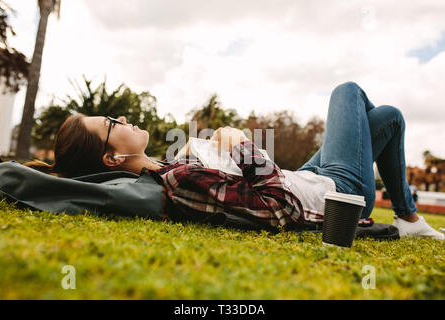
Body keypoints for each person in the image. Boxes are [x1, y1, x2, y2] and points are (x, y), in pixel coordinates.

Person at [24, 82, 443, 240]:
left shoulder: (174, 164)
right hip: (336, 195)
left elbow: (271, 183)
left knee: (388, 119)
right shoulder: (177, 180)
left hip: (309, 178)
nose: (123, 117)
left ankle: (408, 216)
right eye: (112, 122)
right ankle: (408, 215)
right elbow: (280, 208)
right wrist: (242, 144)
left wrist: (199, 147)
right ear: (112, 156)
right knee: (347, 92)